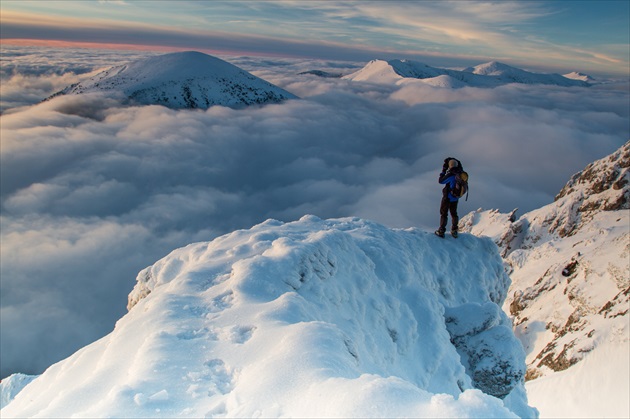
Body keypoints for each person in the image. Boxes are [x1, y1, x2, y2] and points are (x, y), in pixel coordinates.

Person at [435, 157, 463, 238]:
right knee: (454, 213)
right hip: (456, 197)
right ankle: (454, 230)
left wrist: (443, 170)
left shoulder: (451, 175)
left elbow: (440, 181)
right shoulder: (461, 173)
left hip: (448, 197)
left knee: (444, 213)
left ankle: (441, 230)